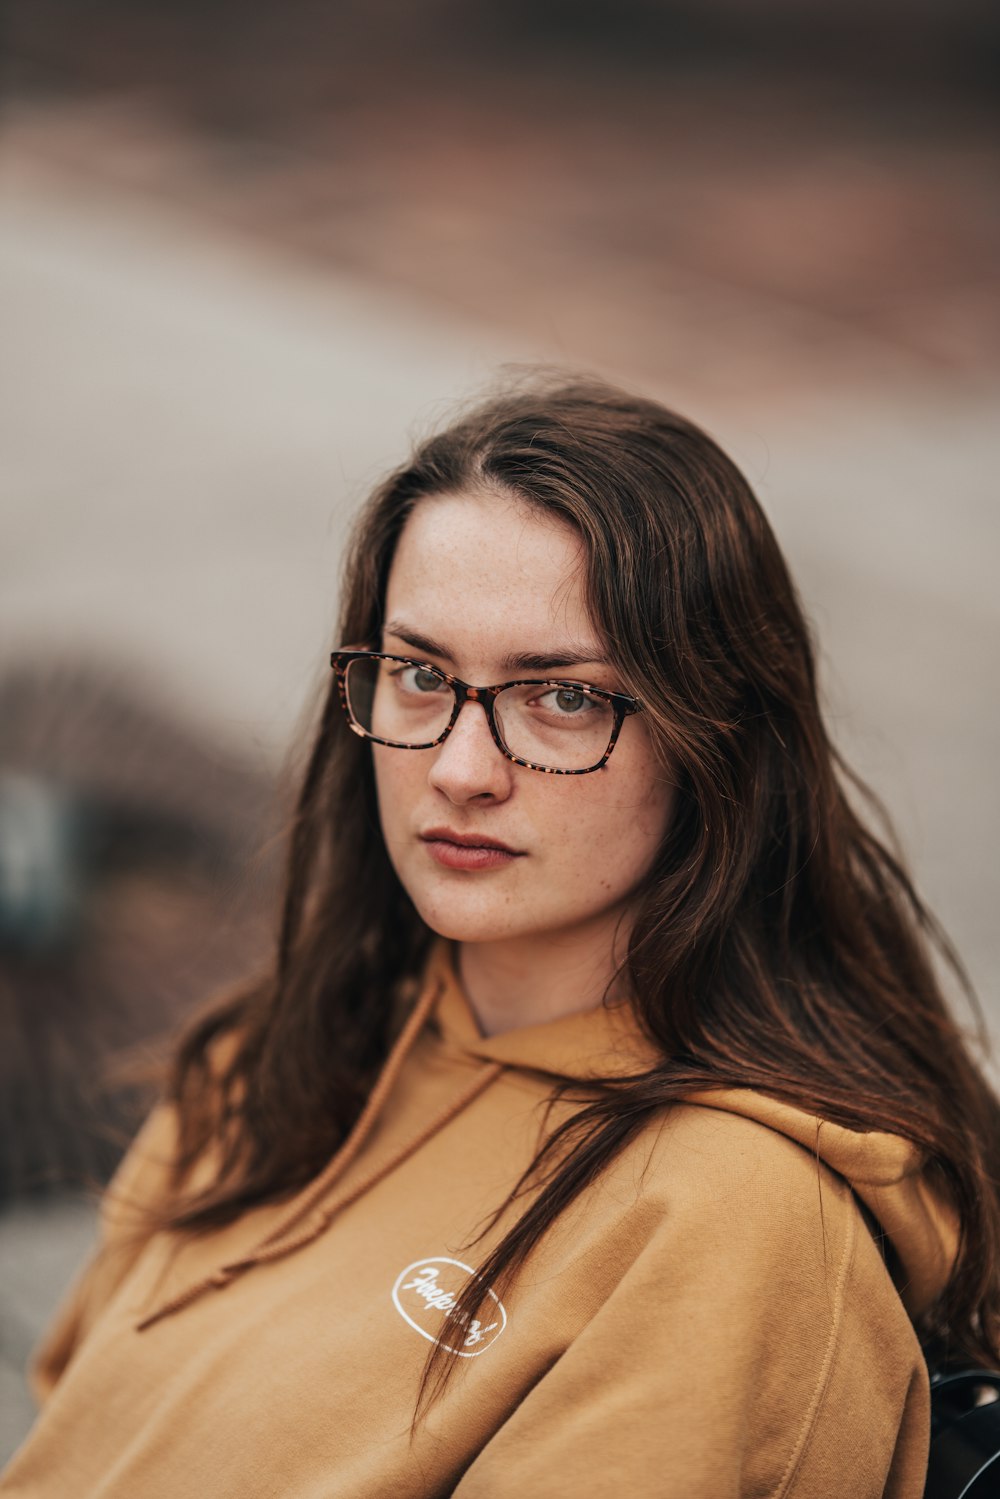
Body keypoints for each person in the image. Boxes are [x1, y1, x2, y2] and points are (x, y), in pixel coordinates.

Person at [4, 375, 999, 1498]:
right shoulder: (273, 1050)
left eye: (562, 697)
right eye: (422, 674)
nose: (460, 769)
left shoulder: (738, 1223)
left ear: (715, 739)